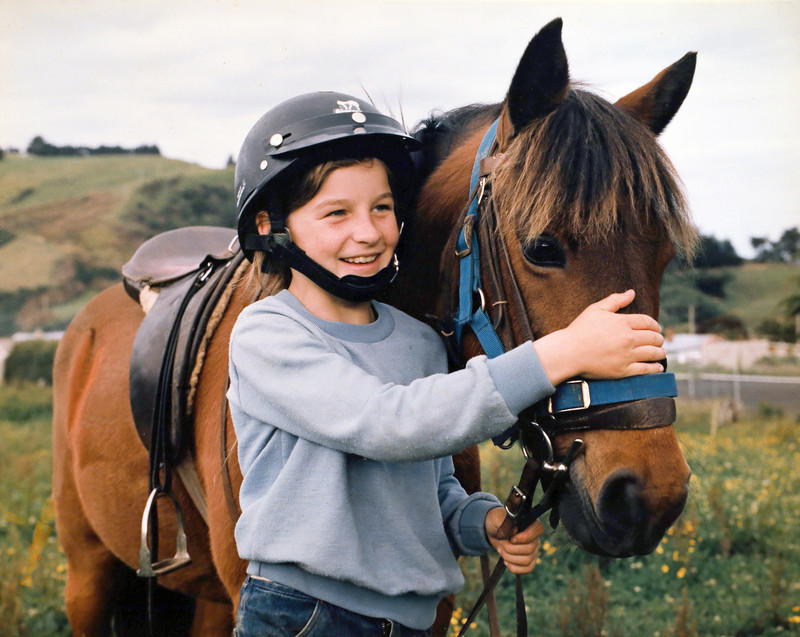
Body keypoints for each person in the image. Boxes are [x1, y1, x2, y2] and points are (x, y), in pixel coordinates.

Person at [227, 92, 667, 637]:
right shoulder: (268, 333)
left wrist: (480, 522)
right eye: (336, 212)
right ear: (272, 227)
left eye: (382, 208)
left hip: (409, 621)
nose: (367, 232)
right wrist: (561, 352)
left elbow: (429, 485)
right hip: (303, 614)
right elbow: (387, 424)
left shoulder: (417, 340)